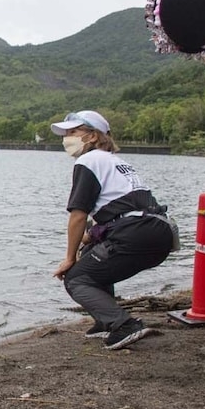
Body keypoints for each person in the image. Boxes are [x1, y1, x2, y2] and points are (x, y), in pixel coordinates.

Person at [50, 111, 174, 351]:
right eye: (66, 133)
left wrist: (68, 258)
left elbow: (78, 215)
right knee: (90, 254)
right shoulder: (116, 162)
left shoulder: (88, 161)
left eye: (73, 132)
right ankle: (105, 321)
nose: (67, 138)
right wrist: (84, 245)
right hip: (159, 231)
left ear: (93, 136)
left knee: (76, 278)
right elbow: (109, 215)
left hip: (134, 233)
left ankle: (124, 325)